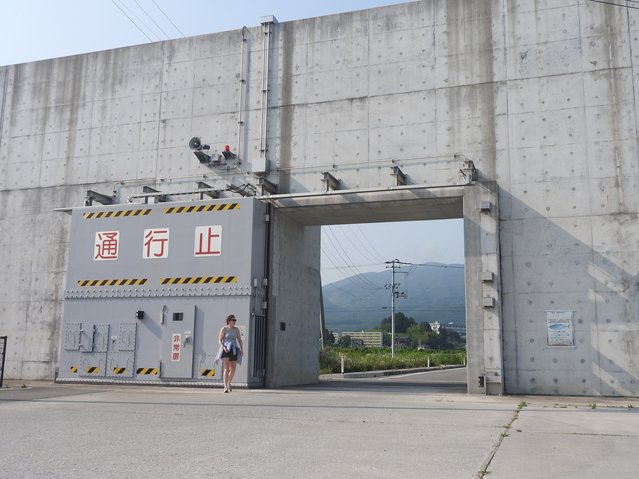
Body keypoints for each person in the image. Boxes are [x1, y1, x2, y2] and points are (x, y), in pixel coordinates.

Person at [215, 314, 243, 392]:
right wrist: (223, 347)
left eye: (235, 320)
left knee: (233, 368)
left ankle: (229, 383)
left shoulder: (236, 329)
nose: (234, 322)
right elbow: (220, 340)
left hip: (234, 349)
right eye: (233, 320)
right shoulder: (224, 329)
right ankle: (225, 386)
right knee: (226, 369)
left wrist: (241, 349)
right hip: (226, 349)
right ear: (229, 321)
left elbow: (239, 340)